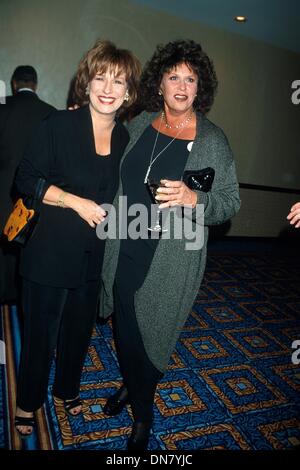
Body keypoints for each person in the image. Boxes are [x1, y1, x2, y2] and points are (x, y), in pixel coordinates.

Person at [98, 39, 241, 450]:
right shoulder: (140, 123)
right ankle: (134, 389)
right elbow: (107, 154)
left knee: (153, 333)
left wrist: (194, 199)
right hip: (125, 241)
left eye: (191, 79)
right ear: (159, 83)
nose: (181, 86)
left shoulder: (213, 139)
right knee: (126, 327)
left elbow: (230, 201)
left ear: (200, 88)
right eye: (173, 76)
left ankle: (143, 413)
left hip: (173, 256)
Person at [12, 40, 141, 438]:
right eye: (100, 77)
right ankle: (26, 401)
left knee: (78, 333)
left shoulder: (125, 140)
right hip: (49, 253)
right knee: (40, 335)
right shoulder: (58, 126)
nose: (108, 87)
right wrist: (74, 202)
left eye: (118, 81)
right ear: (86, 84)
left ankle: (66, 389)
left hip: (94, 256)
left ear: (128, 93)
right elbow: (26, 180)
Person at [0, 65, 55, 303]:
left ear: (14, 84)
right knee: (26, 250)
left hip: (2, 192)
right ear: (35, 84)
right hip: (35, 195)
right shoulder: (51, 113)